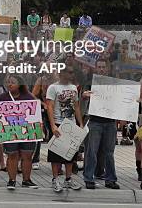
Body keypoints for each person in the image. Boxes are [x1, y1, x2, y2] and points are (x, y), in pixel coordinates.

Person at [81, 60, 120, 189]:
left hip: (110, 122)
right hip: (95, 122)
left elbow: (120, 98)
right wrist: (85, 95)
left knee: (109, 153)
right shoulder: (90, 81)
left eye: (104, 67)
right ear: (95, 68)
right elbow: (84, 94)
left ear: (107, 68)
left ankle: (110, 179)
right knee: (91, 151)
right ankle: (88, 178)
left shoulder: (113, 82)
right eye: (99, 67)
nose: (102, 69)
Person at [45, 66, 83, 192]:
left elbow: (76, 106)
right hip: (58, 122)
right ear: (62, 73)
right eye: (70, 72)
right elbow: (49, 107)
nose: (72, 74)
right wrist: (53, 125)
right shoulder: (53, 88)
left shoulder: (73, 88)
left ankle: (68, 179)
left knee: (70, 153)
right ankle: (55, 179)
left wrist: (80, 123)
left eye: (72, 72)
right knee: (56, 154)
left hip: (70, 123)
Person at [0, 75, 38, 190]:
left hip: (27, 131)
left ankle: (26, 180)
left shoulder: (29, 97)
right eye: (8, 82)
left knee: (27, 155)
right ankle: (12, 180)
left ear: (20, 84)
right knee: (12, 154)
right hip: (10, 131)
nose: (10, 84)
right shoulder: (2, 98)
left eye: (13, 82)